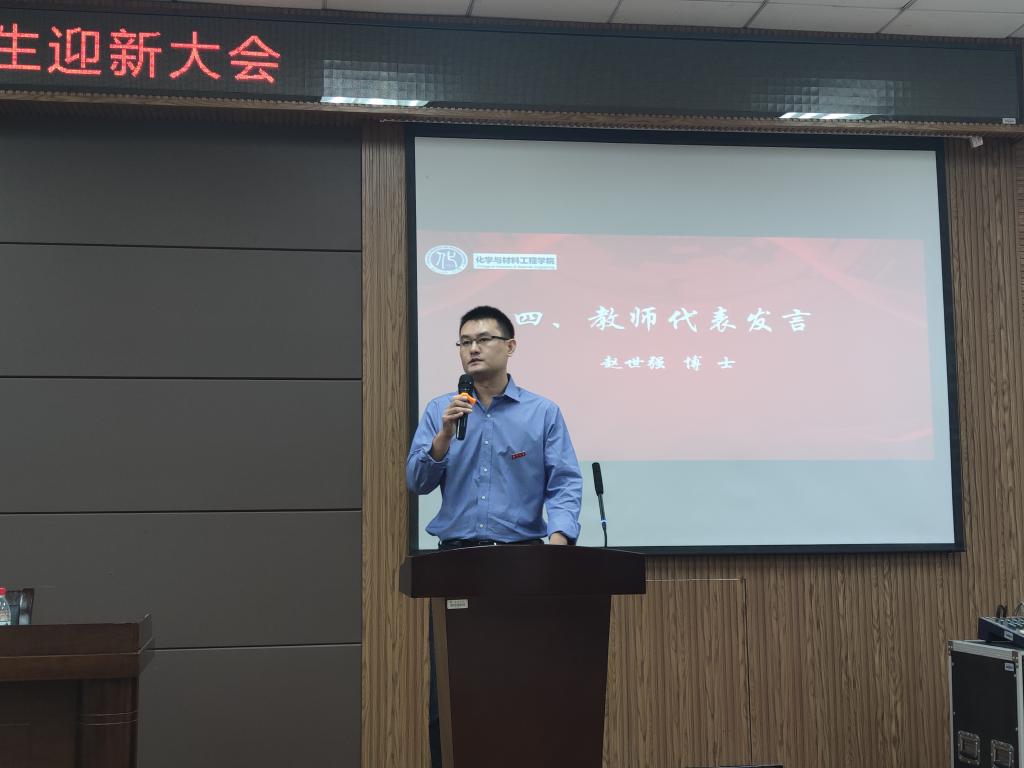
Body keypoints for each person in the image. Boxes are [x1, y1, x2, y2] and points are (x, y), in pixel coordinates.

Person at [406, 304, 583, 767]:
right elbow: (417, 481)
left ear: (510, 346)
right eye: (465, 342)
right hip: (456, 563)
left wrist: (558, 546)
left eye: (483, 339)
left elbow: (564, 483)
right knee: (451, 692)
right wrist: (443, 437)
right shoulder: (440, 411)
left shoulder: (542, 413)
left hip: (522, 562)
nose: (473, 349)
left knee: (523, 684)